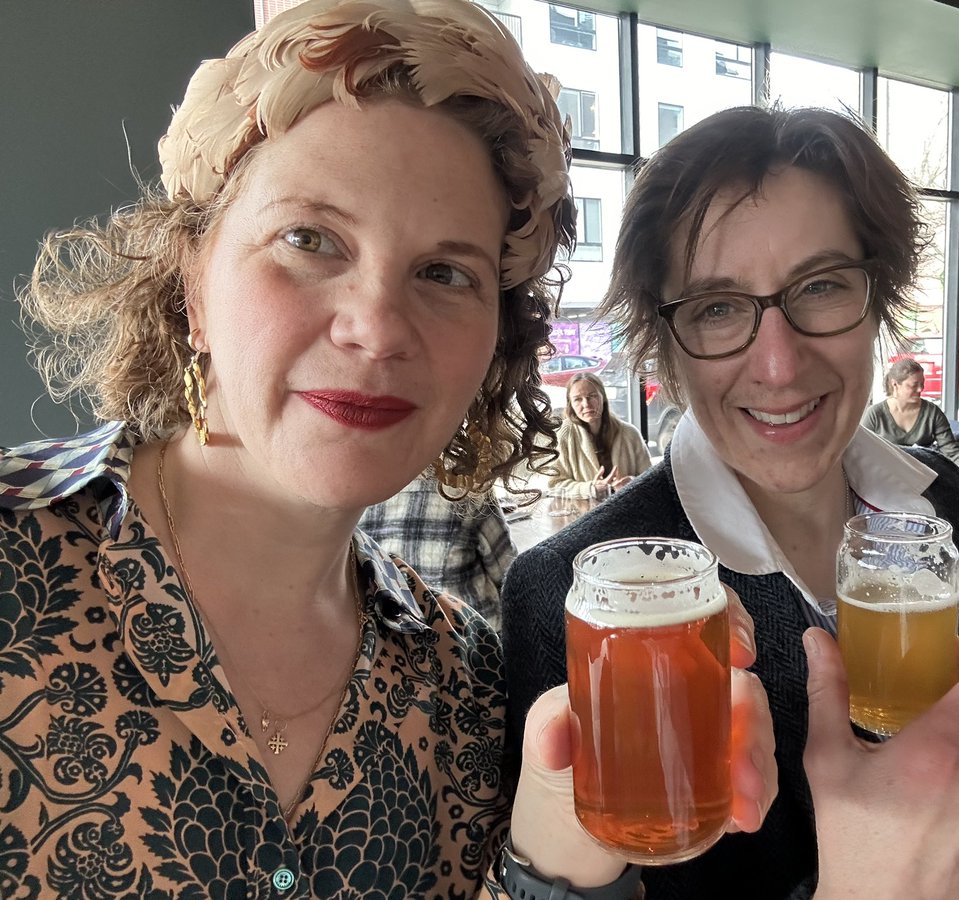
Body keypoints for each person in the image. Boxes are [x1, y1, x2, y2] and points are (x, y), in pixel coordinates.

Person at [0, 3, 778, 897]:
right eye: (309, 240)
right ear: (192, 289)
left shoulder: (465, 685)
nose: (375, 328)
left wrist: (564, 845)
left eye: (444, 274)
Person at [501, 105, 959, 899]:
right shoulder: (584, 596)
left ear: (878, 299)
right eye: (718, 308)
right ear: (663, 345)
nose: (778, 363)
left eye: (822, 286)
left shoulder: (939, 502)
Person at [359, 473, 515, 627]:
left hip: (394, 634)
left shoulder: (361, 495)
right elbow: (507, 570)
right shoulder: (469, 490)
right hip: (470, 633)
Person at [548, 371, 651, 499]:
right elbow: (554, 485)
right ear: (570, 404)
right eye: (578, 399)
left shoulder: (630, 433)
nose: (586, 404)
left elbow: (650, 478)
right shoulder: (564, 435)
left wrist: (633, 482)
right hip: (584, 514)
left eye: (592, 396)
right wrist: (590, 489)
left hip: (626, 510)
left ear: (603, 398)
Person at [861, 358, 959, 466]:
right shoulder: (875, 414)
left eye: (922, 384)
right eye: (914, 385)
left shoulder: (932, 412)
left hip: (924, 476)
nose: (920, 389)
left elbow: (951, 450)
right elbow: (861, 451)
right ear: (895, 384)